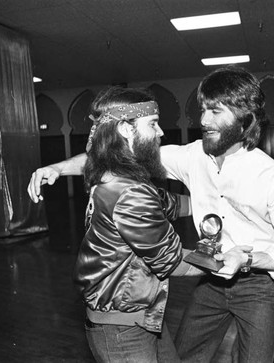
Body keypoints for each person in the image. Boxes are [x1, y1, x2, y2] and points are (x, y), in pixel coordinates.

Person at [28, 66, 274, 363]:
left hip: (258, 284)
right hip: (211, 280)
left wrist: (248, 258)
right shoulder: (193, 156)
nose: (203, 120)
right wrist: (58, 169)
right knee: (185, 356)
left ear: (245, 117)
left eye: (215, 111)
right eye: (202, 110)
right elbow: (118, 152)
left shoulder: (270, 176)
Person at [69, 86, 205, 363]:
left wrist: (213, 204)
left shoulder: (111, 176)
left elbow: (166, 202)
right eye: (153, 124)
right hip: (124, 329)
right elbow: (170, 262)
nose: (161, 133)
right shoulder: (128, 191)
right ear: (126, 129)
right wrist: (227, 261)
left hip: (137, 314)